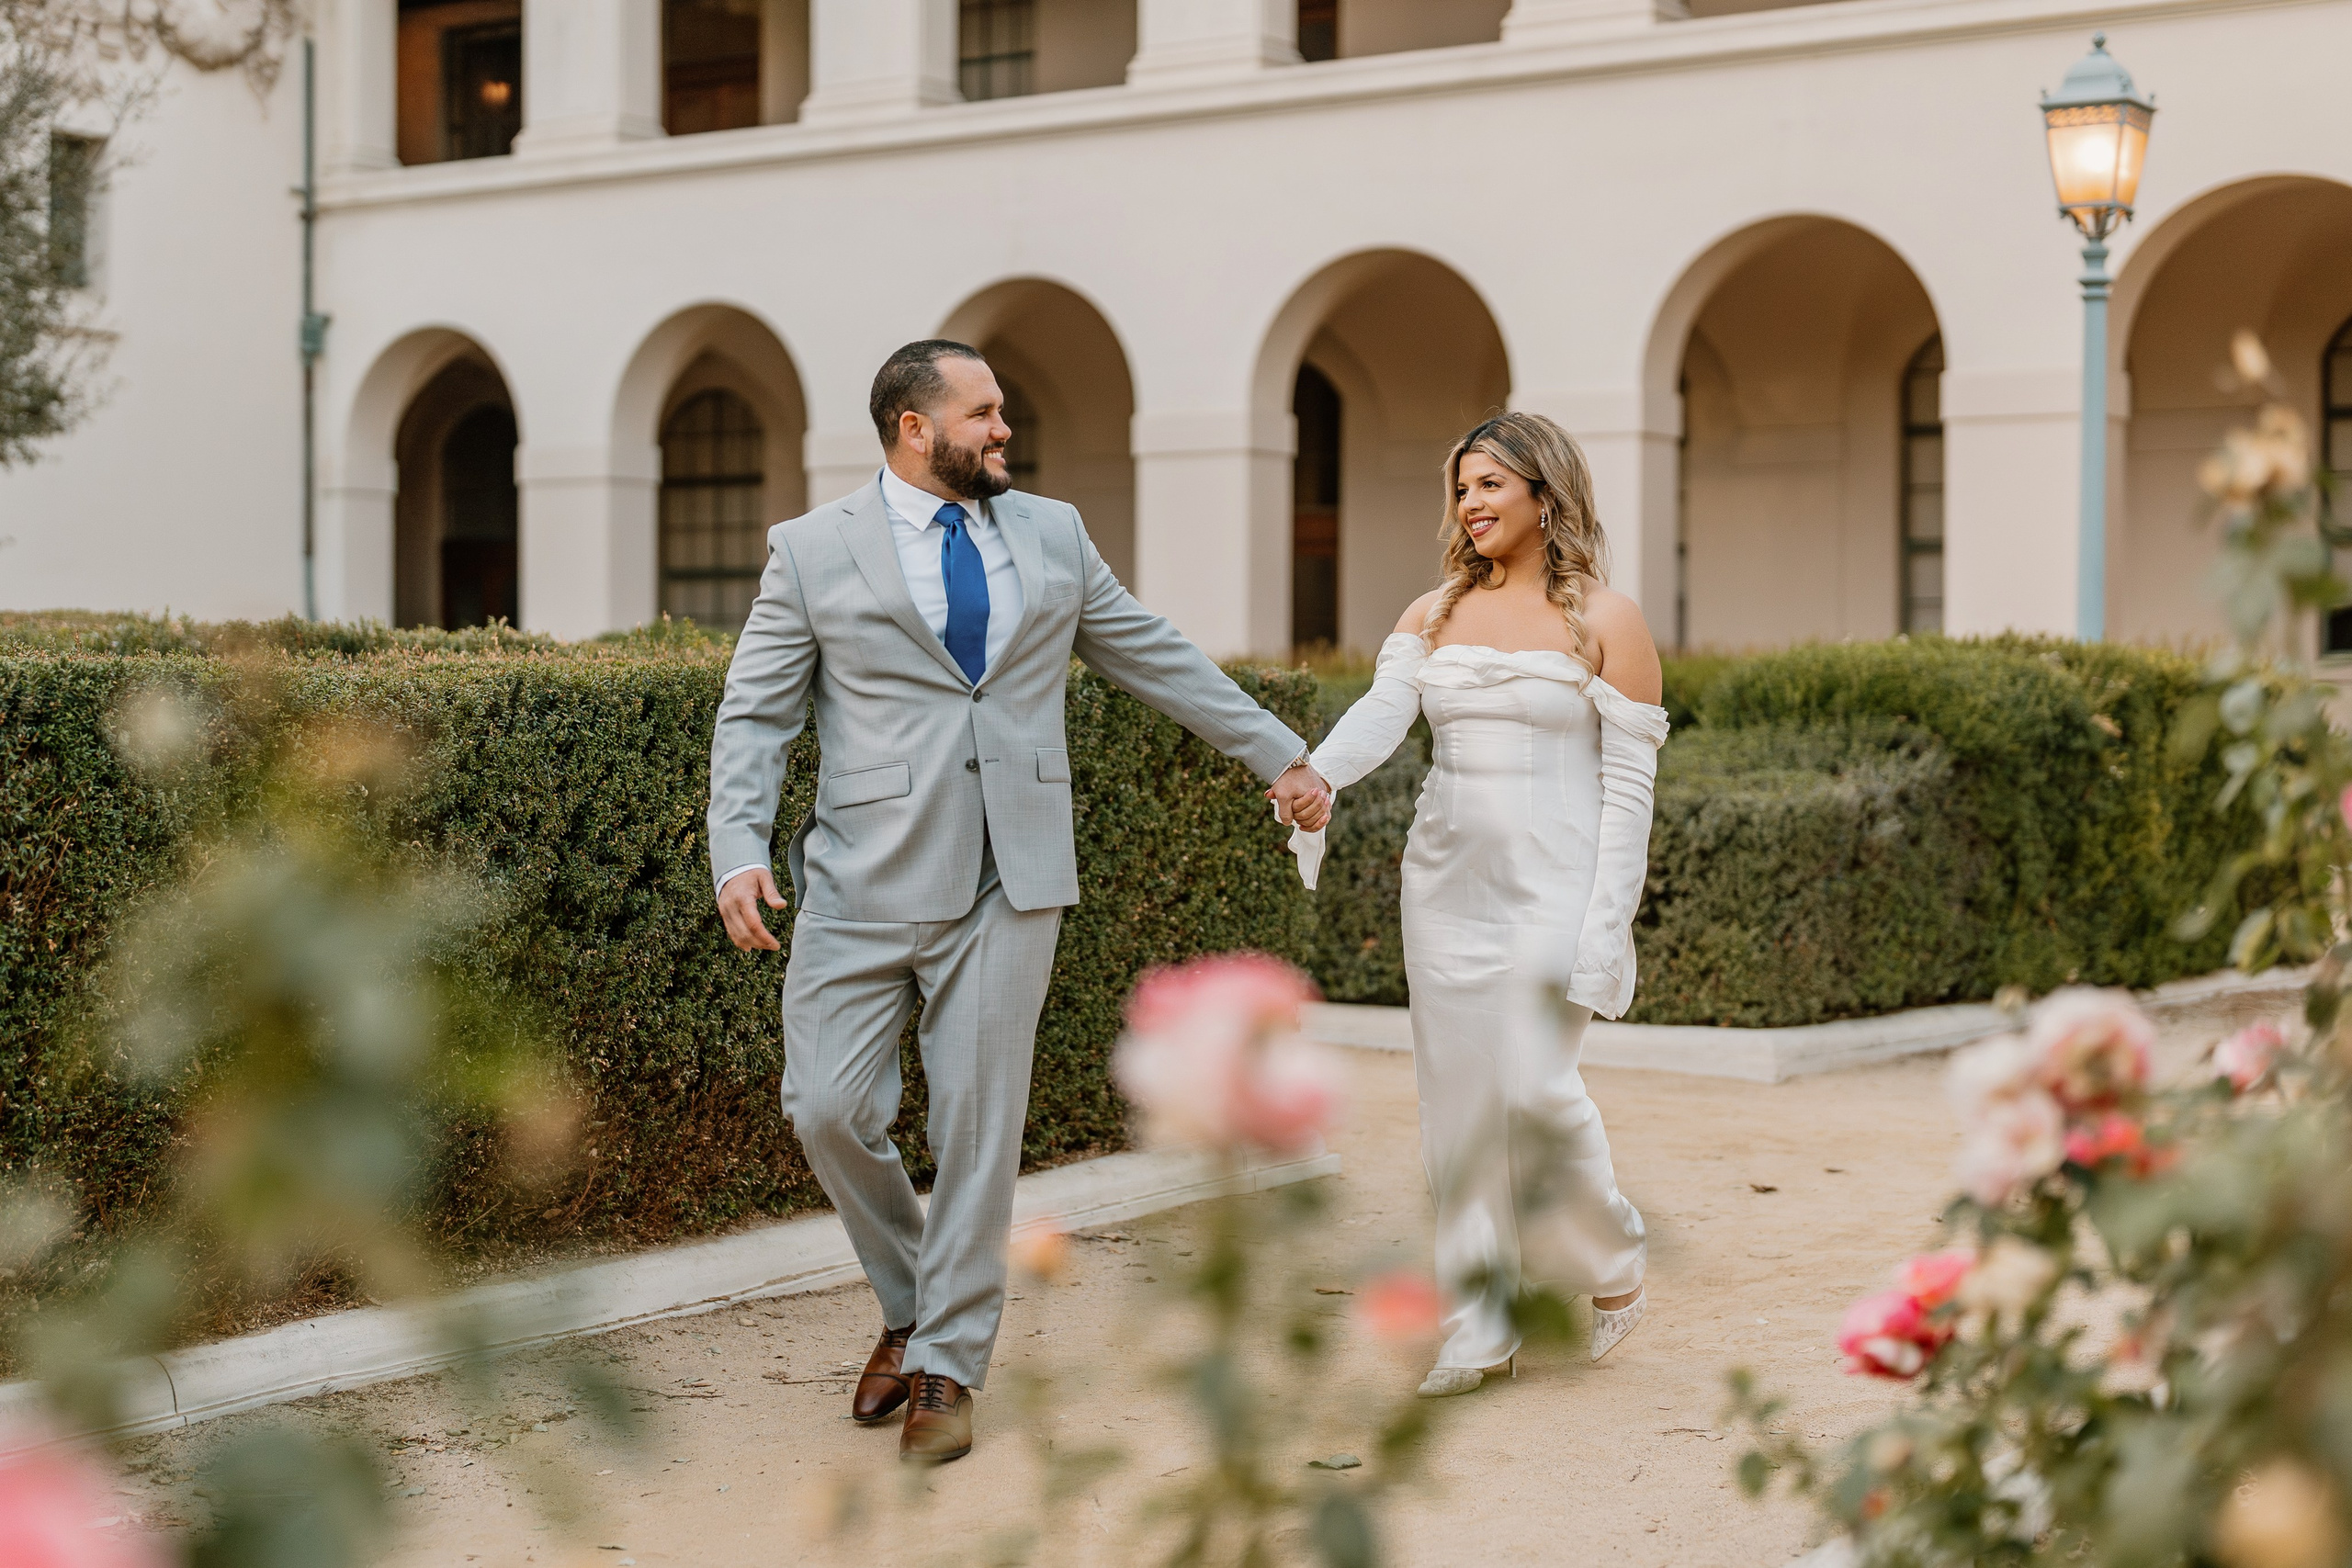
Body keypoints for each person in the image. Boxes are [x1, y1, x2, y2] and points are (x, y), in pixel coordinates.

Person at [707, 340, 1332, 1461]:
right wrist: (738, 846)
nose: (1004, 429)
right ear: (913, 427)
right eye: (983, 412)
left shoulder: (1052, 533)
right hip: (860, 875)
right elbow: (756, 714)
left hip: (1013, 874)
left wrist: (1277, 753)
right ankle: (909, 1303)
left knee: (977, 1123)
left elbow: (1150, 653)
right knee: (827, 1109)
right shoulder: (808, 552)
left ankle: (947, 1362)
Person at [1288, 412, 1665, 1396]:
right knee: (1455, 1107)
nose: (1471, 503)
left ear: (1544, 492)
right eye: (1462, 488)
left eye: (1490, 484)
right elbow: (1378, 719)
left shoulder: (1607, 620)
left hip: (1557, 887)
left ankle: (1612, 1257)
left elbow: (1628, 795)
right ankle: (1478, 1316)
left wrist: (1605, 923)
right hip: (1444, 886)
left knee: (1537, 1091)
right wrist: (1313, 776)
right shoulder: (1432, 614)